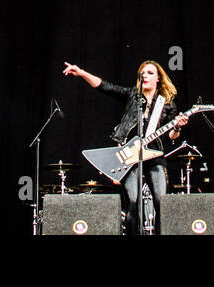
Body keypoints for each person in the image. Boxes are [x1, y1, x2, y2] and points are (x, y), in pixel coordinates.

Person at [63, 60, 188, 234]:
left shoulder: (166, 104)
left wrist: (177, 126)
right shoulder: (132, 95)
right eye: (142, 72)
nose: (145, 75)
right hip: (129, 156)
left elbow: (172, 136)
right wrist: (82, 73)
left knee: (162, 202)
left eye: (150, 73)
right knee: (133, 202)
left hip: (154, 155)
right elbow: (105, 86)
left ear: (158, 78)